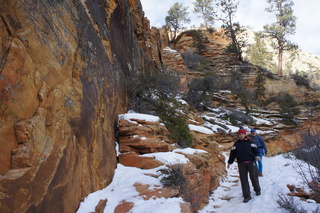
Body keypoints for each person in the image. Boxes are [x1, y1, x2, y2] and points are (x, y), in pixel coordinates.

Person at [227, 129, 261, 203]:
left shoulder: (250, 142)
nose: (241, 135)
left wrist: (257, 156)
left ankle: (257, 190)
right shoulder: (236, 144)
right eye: (240, 134)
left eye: (242, 134)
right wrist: (230, 162)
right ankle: (246, 196)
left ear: (245, 134)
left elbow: (256, 151)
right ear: (238, 135)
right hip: (241, 164)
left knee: (254, 177)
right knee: (243, 180)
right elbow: (232, 154)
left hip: (251, 162)